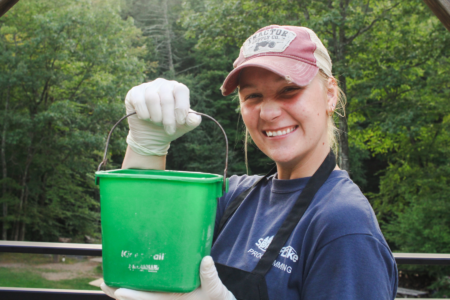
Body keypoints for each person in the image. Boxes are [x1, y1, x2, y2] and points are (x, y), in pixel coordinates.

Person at [101, 25, 398, 300]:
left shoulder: (343, 224)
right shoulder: (234, 198)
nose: (268, 113)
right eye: (253, 96)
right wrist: (147, 146)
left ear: (330, 94)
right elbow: (144, 238)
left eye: (289, 90)